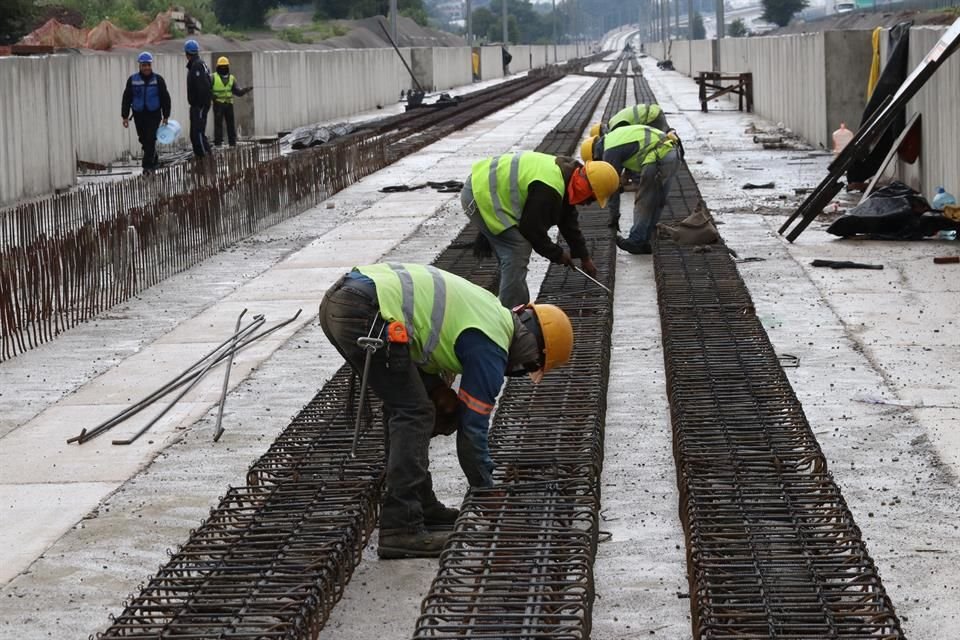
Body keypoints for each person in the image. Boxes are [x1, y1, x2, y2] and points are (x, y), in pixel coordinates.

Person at [319, 263, 575, 558]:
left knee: (408, 404)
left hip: (343, 300)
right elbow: (473, 430)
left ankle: (420, 505)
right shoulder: (491, 343)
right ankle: (400, 527)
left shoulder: (490, 310)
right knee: (414, 412)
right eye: (529, 366)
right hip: (365, 310)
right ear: (533, 344)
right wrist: (484, 491)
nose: (517, 370)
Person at [461, 151, 619, 308]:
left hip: (487, 190)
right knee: (517, 249)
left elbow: (568, 222)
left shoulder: (568, 174)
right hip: (481, 194)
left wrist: (584, 256)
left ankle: (516, 306)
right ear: (586, 186)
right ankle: (510, 314)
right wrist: (557, 254)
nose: (588, 203)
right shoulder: (549, 188)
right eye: (592, 198)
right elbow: (531, 230)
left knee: (513, 259)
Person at [581, 124, 682, 254]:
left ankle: (636, 241)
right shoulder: (616, 137)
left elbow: (613, 187)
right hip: (674, 152)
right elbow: (634, 153)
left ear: (595, 155)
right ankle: (645, 241)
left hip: (658, 156)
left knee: (644, 201)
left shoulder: (609, 151)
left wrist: (614, 215)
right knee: (657, 201)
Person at [121, 51, 171, 174]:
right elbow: (126, 98)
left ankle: (147, 167)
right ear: (140, 65)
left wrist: (166, 116)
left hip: (154, 115)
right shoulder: (132, 80)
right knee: (143, 139)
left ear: (151, 65)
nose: (146, 67)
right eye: (144, 65)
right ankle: (153, 158)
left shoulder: (158, 80)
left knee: (150, 139)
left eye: (148, 65)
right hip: (139, 115)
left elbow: (165, 98)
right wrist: (125, 116)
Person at [211, 56, 252, 147]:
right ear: (218, 67)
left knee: (230, 125)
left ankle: (232, 143)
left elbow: (237, 92)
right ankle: (218, 144)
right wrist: (212, 97)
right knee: (218, 125)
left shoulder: (231, 78)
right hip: (218, 104)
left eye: (225, 66)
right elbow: (207, 89)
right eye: (222, 66)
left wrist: (246, 89)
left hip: (228, 104)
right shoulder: (213, 77)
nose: (223, 68)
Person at [183, 39, 212, 158]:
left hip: (199, 106)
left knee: (198, 134)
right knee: (194, 134)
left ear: (186, 53)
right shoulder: (198, 64)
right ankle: (202, 158)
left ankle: (205, 159)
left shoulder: (197, 66)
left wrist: (200, 105)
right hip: (198, 105)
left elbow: (203, 86)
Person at [588, 103, 668, 138]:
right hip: (654, 111)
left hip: (652, 118)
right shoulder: (612, 121)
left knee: (659, 142)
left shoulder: (616, 127)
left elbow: (630, 136)